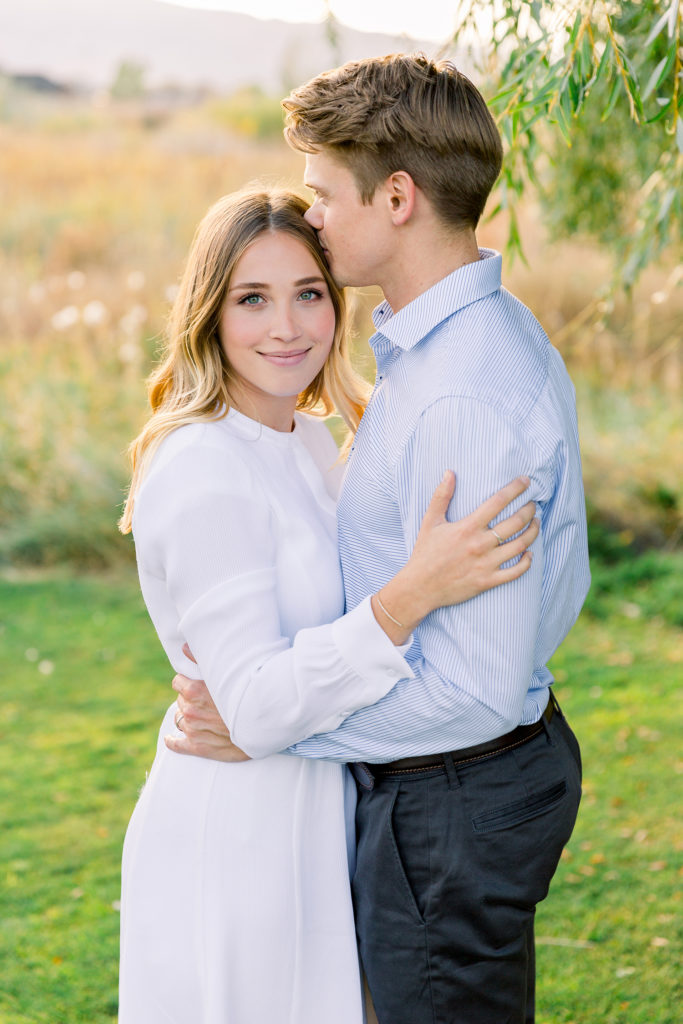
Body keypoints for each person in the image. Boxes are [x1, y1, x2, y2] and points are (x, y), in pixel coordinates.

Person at [171, 54, 590, 1023]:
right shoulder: (454, 345)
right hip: (456, 786)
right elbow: (543, 601)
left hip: (444, 806)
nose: (308, 214)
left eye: (323, 192)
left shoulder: (459, 396)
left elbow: (472, 690)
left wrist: (273, 727)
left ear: (395, 196)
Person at [117, 186, 539, 1023]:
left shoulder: (304, 438)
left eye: (308, 293)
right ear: (208, 313)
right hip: (238, 835)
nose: (287, 326)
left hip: (314, 806)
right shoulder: (203, 467)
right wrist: (410, 596)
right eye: (252, 299)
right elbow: (258, 706)